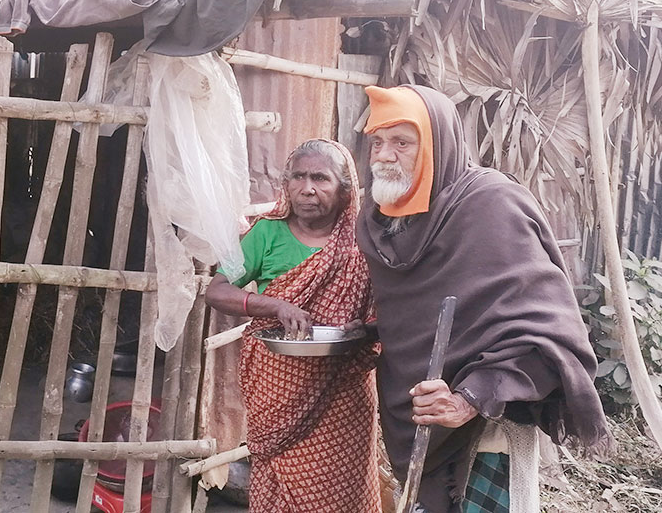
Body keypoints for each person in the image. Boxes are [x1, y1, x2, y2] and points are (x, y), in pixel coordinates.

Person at [356, 84, 611, 513]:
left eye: (402, 142)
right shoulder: (379, 222)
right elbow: (405, 321)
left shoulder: (491, 205)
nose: (383, 155)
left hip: (491, 418)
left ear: (438, 145)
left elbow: (547, 334)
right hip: (417, 417)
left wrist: (467, 399)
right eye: (377, 142)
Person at [206, 139, 381, 513]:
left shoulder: (364, 243)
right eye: (298, 177)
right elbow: (217, 291)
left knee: (340, 494)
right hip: (276, 392)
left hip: (342, 395)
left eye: (320, 178)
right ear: (286, 184)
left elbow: (391, 312)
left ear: (344, 188)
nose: (307, 188)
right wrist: (274, 304)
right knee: (278, 489)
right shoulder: (265, 235)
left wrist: (364, 329)